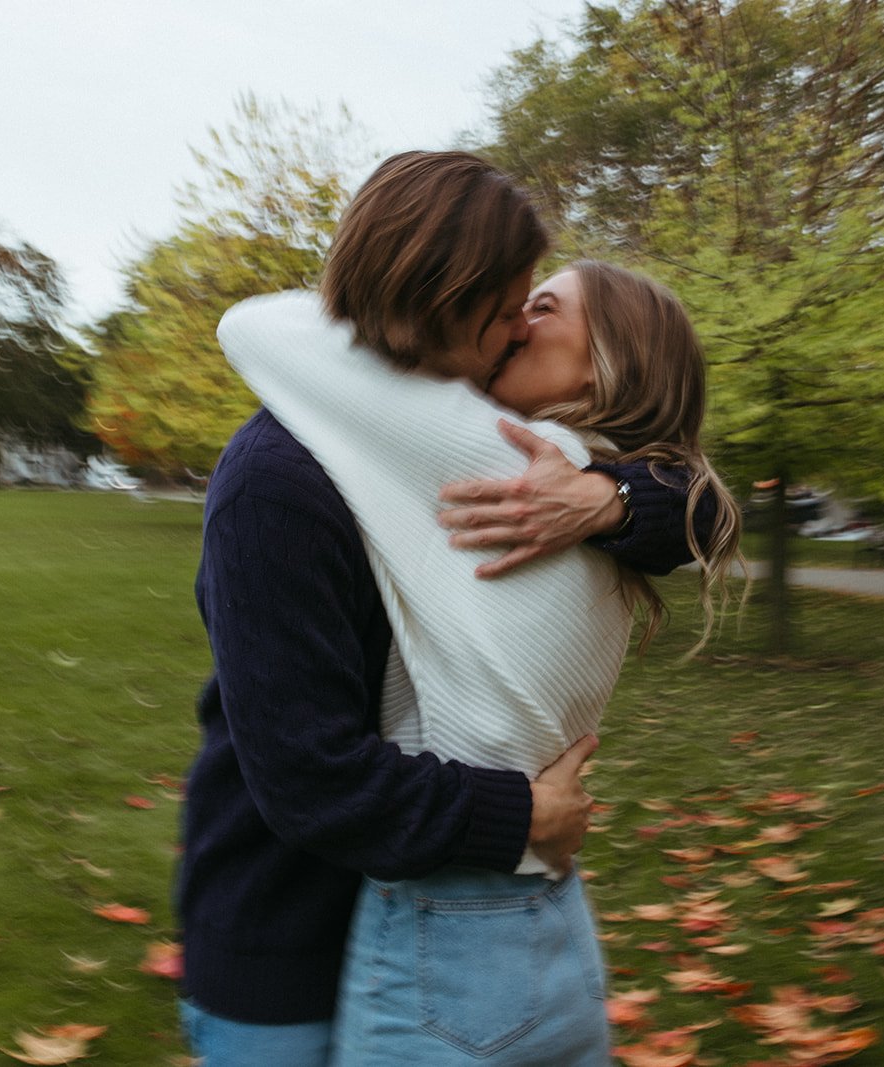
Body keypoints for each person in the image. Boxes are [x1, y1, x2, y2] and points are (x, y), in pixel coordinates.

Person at [178, 151, 713, 1066]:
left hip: (438, 924)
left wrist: (610, 496)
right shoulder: (281, 483)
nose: (517, 324)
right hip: (287, 929)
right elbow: (308, 776)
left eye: (537, 306)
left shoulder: (517, 466)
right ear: (447, 295)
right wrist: (520, 817)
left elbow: (694, 494)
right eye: (513, 303)